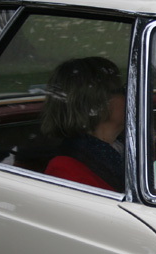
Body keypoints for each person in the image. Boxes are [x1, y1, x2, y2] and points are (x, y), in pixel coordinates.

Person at [41, 56, 126, 192]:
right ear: (97, 103)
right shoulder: (65, 169)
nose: (129, 96)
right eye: (122, 90)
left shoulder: (124, 146)